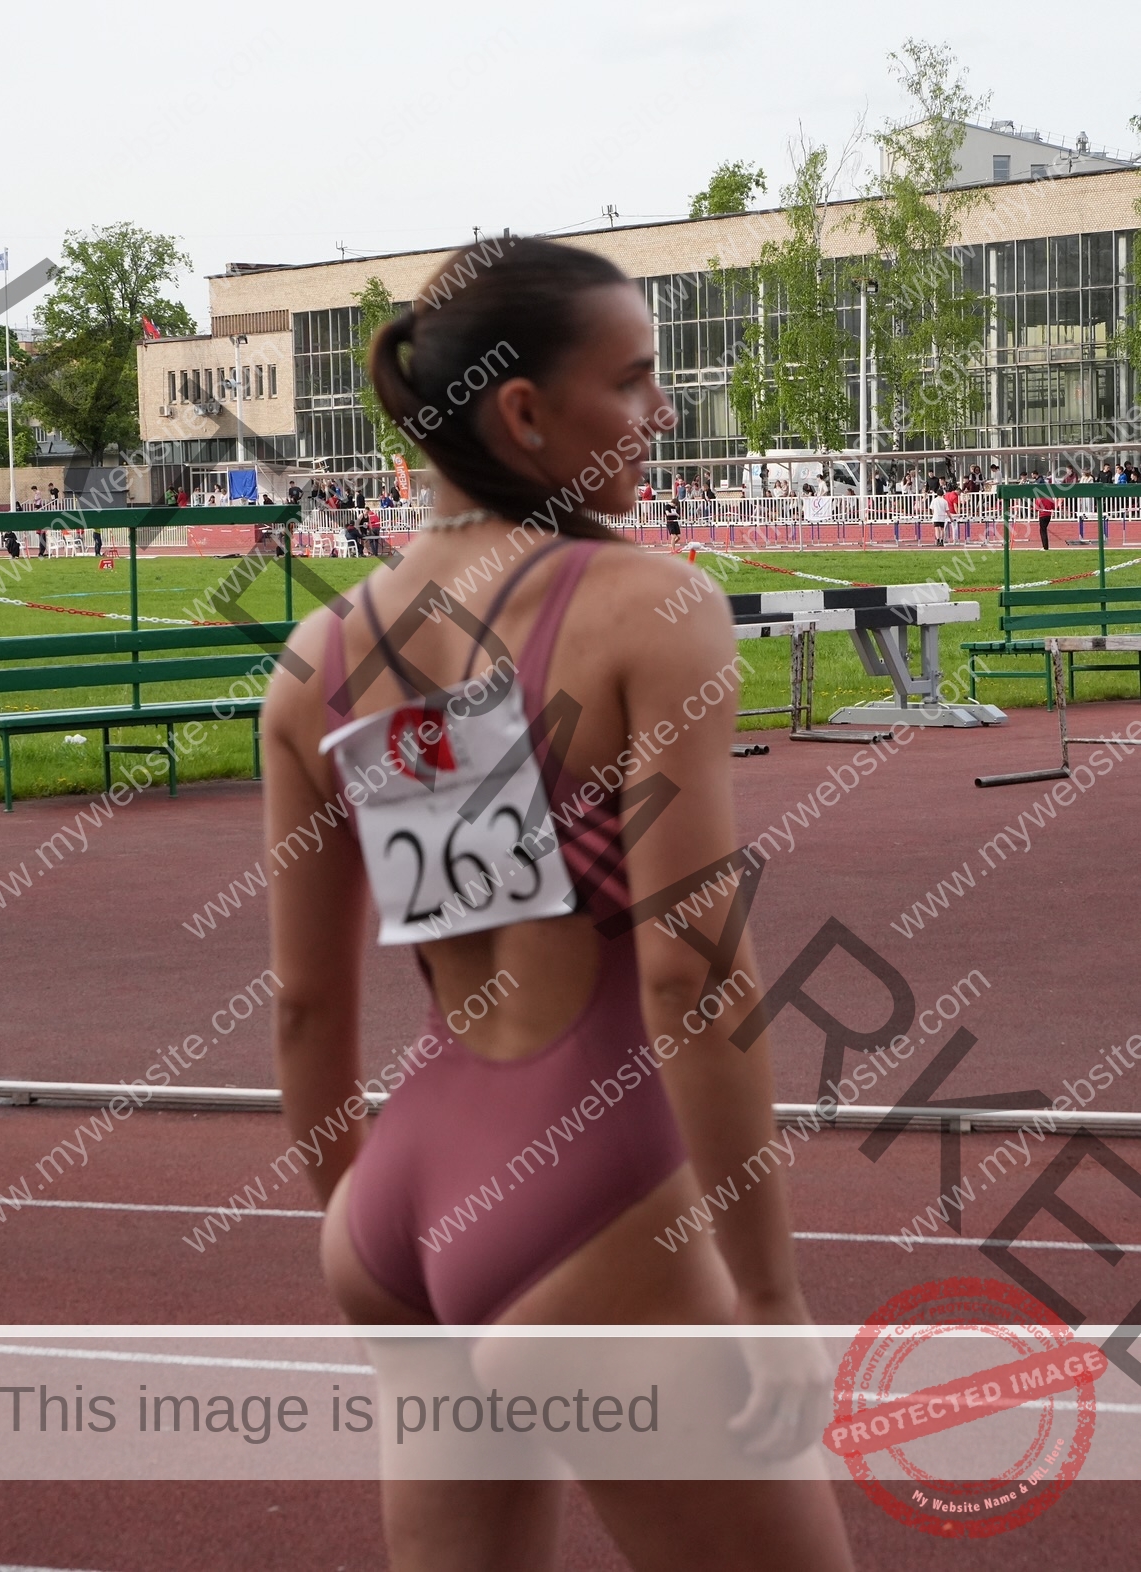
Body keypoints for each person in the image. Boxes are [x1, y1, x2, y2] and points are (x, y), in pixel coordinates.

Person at [261, 237, 852, 1572]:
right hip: (588, 1197)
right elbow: (688, 977)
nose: (665, 411)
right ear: (523, 415)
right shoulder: (652, 608)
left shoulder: (317, 662)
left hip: (397, 1204)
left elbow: (304, 1006)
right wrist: (765, 1289)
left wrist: (358, 1225)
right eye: (636, 382)